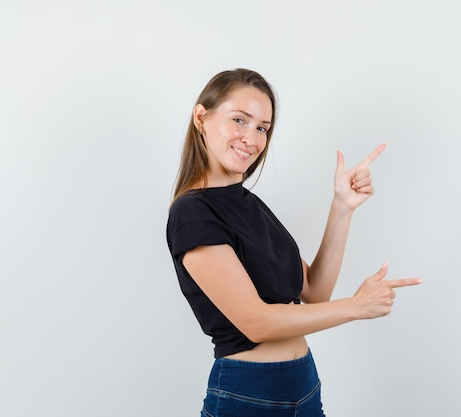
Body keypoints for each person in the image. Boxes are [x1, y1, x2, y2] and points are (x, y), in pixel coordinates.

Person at [166, 68, 422, 417]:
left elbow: (314, 292)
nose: (251, 138)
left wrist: (342, 208)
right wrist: (357, 307)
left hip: (304, 384)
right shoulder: (193, 213)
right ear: (202, 118)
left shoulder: (248, 203)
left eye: (262, 128)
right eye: (239, 119)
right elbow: (256, 323)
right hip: (248, 393)